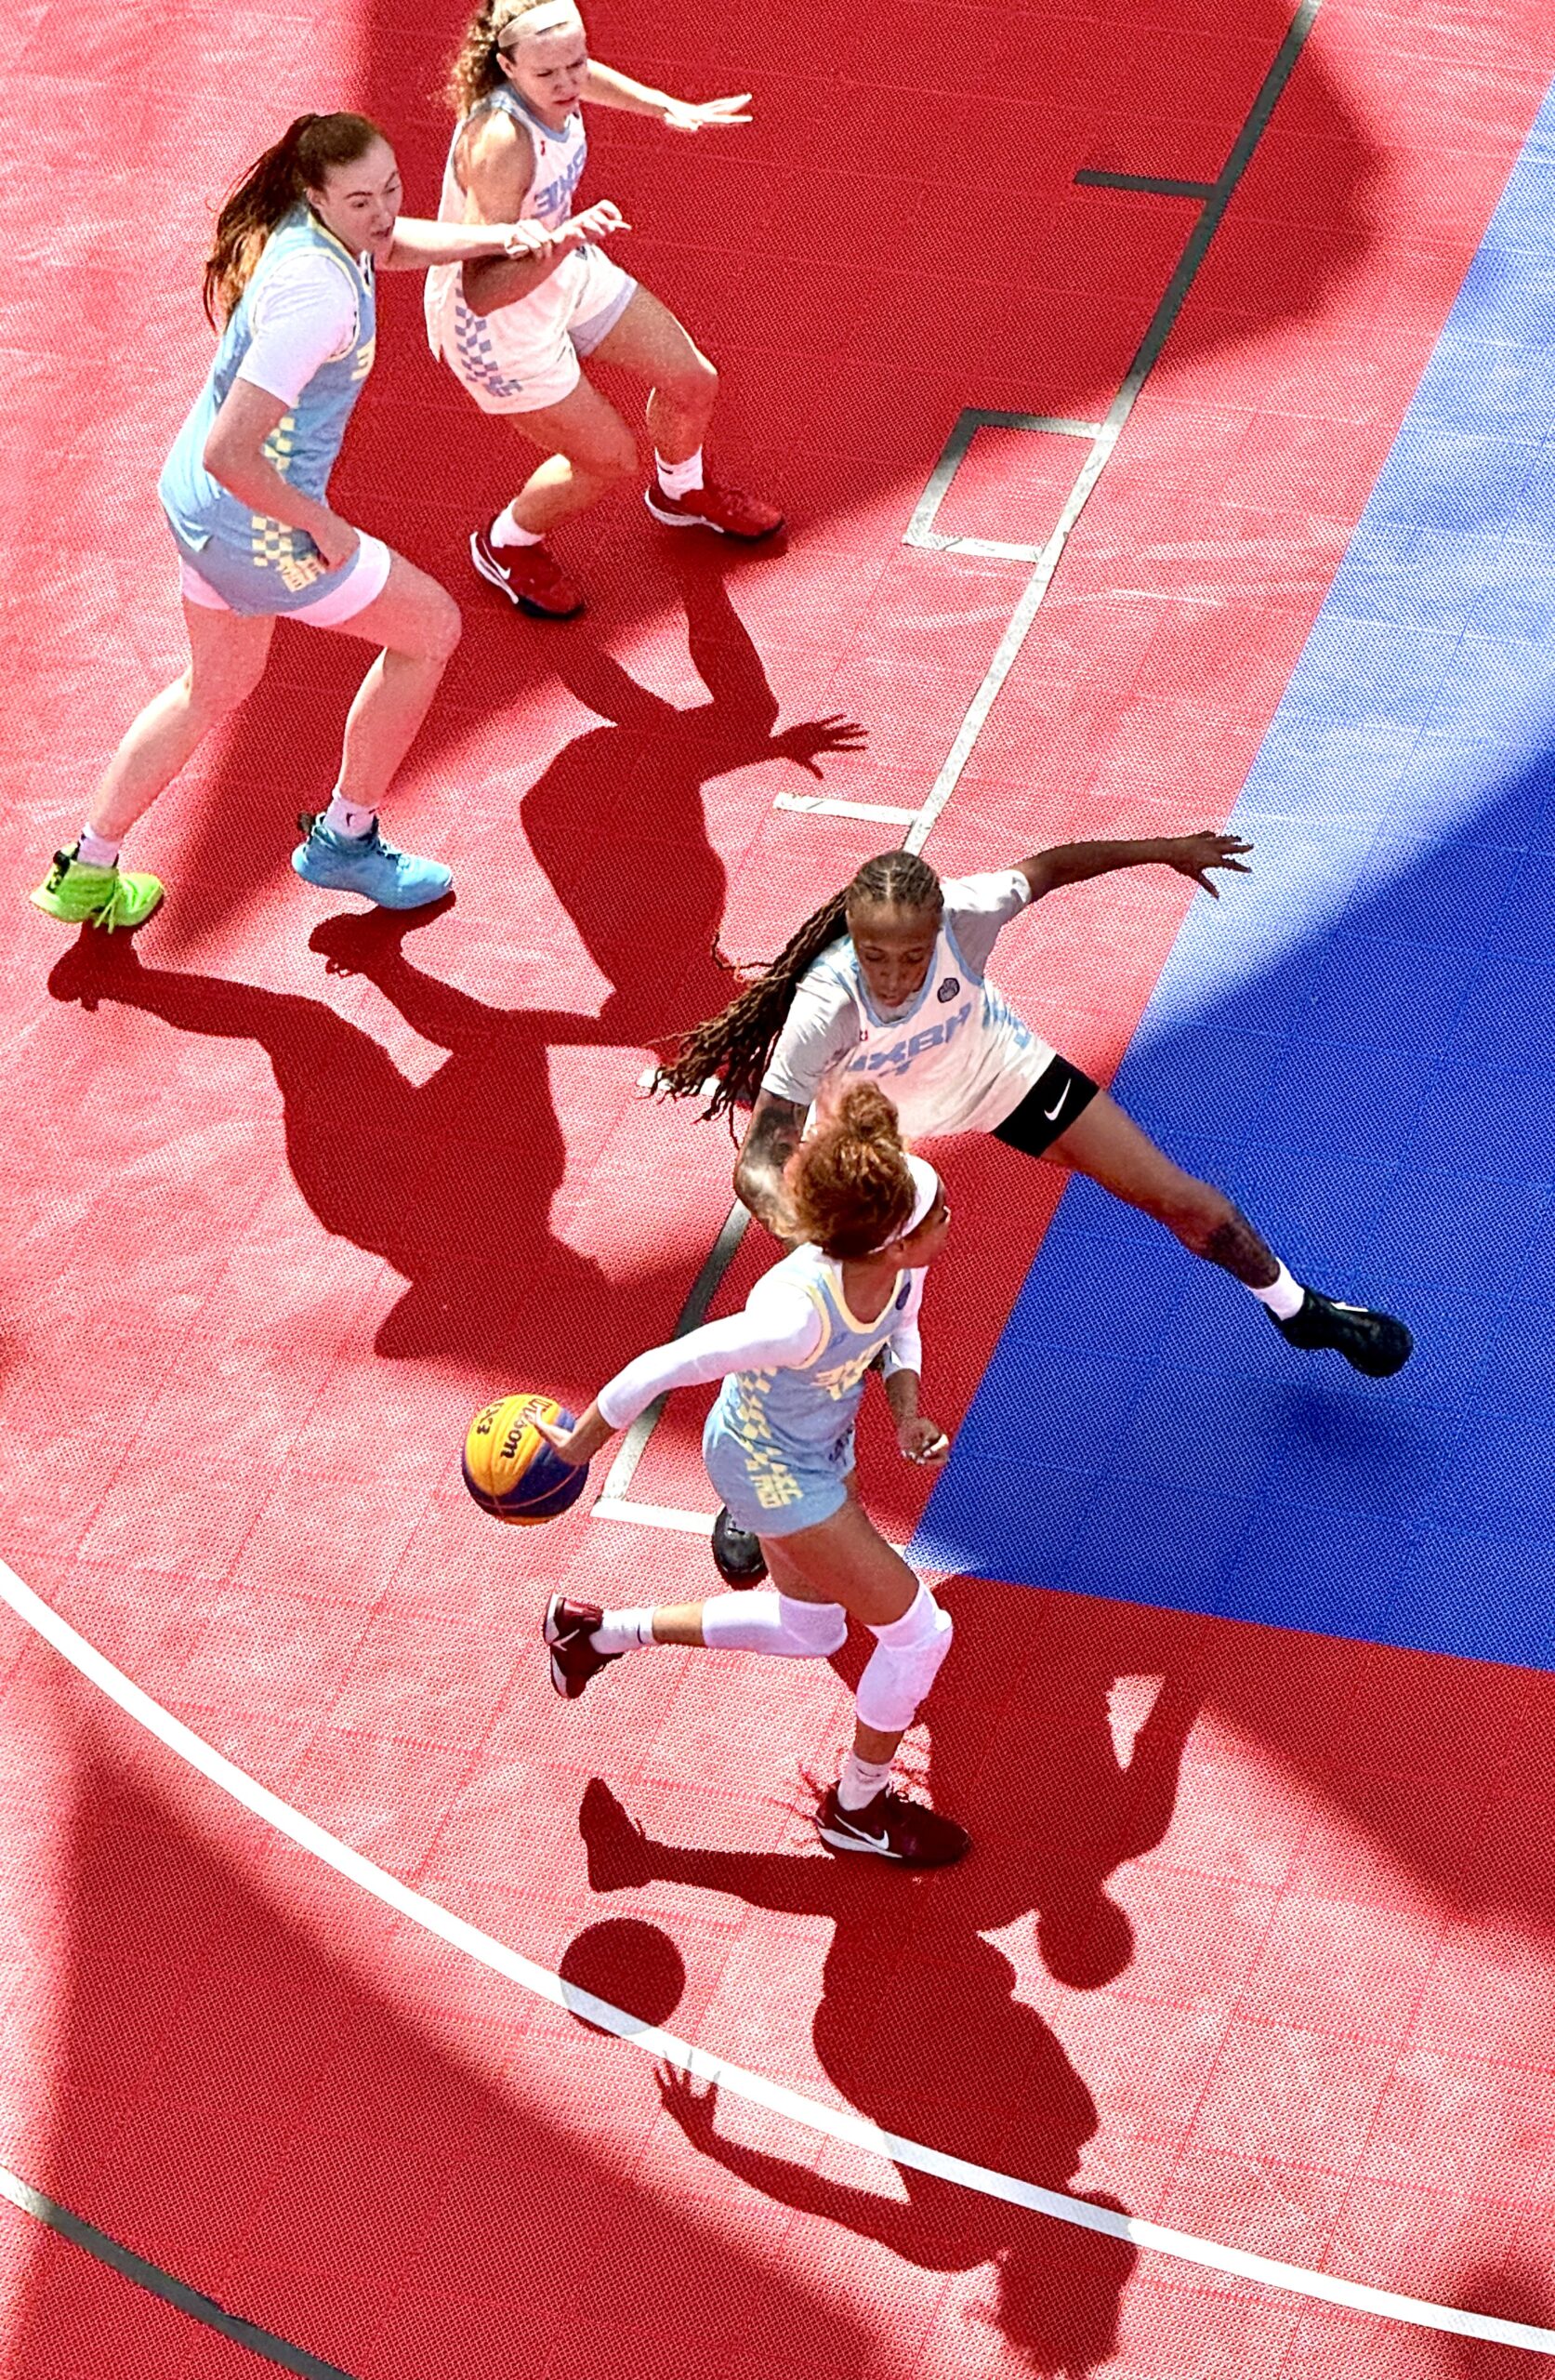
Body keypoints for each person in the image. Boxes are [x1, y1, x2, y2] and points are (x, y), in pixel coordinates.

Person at [656, 836, 1415, 1579]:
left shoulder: (968, 911)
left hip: (997, 1072)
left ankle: (1298, 1310)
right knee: (830, 1328)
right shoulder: (825, 1003)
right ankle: (763, 1474)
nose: (892, 977)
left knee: (1184, 1202)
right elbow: (758, 1159)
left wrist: (1167, 849)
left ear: (938, 929)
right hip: (866, 1134)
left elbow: (1050, 868)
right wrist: (807, 1230)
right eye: (874, 957)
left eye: (912, 957)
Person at [30, 112, 554, 934]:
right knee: (431, 630)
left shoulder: (316, 231)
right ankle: (346, 838)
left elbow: (394, 245)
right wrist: (329, 528)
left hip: (198, 513)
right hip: (261, 525)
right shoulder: (315, 298)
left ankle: (87, 868)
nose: (381, 211)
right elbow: (234, 451)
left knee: (214, 687)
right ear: (317, 195)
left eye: (390, 188)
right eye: (360, 201)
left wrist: (500, 235)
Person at [537, 1085, 969, 1868]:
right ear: (896, 1241)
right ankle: (857, 1809)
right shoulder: (795, 1314)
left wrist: (905, 1410)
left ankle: (594, 1633)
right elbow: (664, 1364)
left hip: (814, 1451)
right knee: (918, 1634)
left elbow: (901, 1331)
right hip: (768, 1470)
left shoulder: (894, 1261)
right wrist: (576, 1448)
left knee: (814, 1632)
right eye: (938, 1215)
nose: (951, 1220)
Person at [430, 0, 783, 621]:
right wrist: (567, 236)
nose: (568, 84)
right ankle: (507, 543)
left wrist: (665, 104)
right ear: (506, 66)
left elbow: (585, 80)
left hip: (559, 263)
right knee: (605, 463)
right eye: (549, 74)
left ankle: (681, 491)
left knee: (691, 382)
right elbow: (483, 289)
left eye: (577, 62)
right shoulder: (503, 142)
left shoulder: (554, 79)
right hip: (496, 327)